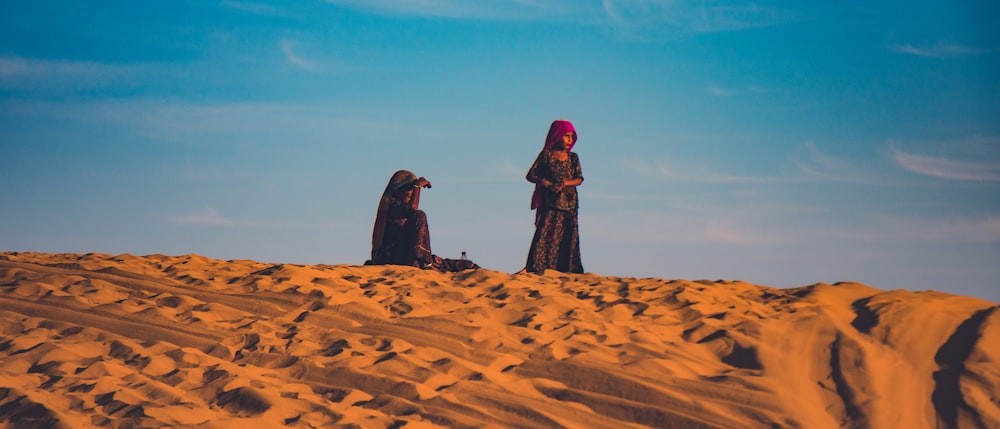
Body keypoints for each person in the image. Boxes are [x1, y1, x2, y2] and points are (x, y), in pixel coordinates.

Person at [367, 170, 478, 272]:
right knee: (419, 215)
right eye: (409, 189)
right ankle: (424, 261)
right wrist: (417, 186)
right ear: (398, 190)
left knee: (461, 265)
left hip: (405, 254)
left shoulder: (401, 206)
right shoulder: (392, 204)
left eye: (412, 189)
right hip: (389, 257)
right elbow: (412, 210)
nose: (411, 193)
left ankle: (424, 260)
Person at [525, 120, 584, 274]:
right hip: (551, 203)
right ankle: (537, 269)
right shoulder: (546, 156)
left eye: (572, 136)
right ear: (557, 136)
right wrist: (545, 183)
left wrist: (564, 183)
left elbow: (579, 179)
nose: (570, 139)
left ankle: (568, 270)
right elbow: (531, 175)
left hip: (570, 204)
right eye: (566, 136)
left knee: (568, 238)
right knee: (545, 236)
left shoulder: (573, 158)